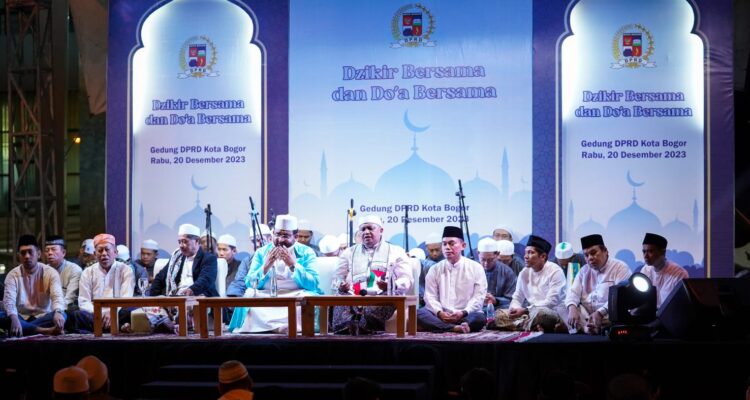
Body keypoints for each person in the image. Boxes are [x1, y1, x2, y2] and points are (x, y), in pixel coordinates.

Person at [229, 215, 322, 333]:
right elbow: (250, 283)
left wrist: (293, 265)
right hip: (266, 296)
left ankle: (281, 327)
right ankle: (278, 327)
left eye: (286, 236)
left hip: (296, 295)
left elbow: (313, 283)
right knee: (249, 294)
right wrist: (265, 266)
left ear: (296, 236)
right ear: (272, 233)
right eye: (277, 234)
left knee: (308, 299)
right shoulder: (261, 252)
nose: (280, 239)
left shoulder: (307, 252)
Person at [331, 215, 413, 334]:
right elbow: (337, 277)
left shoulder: (396, 251)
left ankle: (360, 331)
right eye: (363, 229)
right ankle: (349, 331)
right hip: (354, 296)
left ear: (381, 230)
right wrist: (341, 285)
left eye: (370, 228)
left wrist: (391, 285)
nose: (366, 232)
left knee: (371, 309)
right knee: (341, 304)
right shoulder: (349, 252)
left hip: (383, 296)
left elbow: (407, 278)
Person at [417, 226, 487, 333]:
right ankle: (455, 328)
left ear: (463, 246)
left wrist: (463, 312)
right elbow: (430, 296)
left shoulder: (476, 268)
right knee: (419, 313)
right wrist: (439, 312)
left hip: (466, 315)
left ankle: (448, 326)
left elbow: (479, 296)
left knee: (480, 318)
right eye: (444, 244)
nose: (447, 247)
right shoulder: (435, 269)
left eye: (451, 243)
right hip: (442, 316)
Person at [563, 234, 631, 334]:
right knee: (565, 305)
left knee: (619, 310)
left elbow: (620, 296)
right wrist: (572, 308)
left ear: (605, 251)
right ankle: (589, 328)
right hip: (587, 316)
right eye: (586, 255)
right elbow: (573, 292)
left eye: (593, 253)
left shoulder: (620, 268)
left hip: (608, 316)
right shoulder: (584, 271)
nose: (590, 258)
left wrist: (600, 313)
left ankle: (588, 328)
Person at [1, 234, 66, 336]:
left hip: (44, 316)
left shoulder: (50, 272)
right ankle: (45, 331)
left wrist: (58, 312)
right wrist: (14, 318)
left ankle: (26, 329)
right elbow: (9, 302)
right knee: (5, 316)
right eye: (23, 253)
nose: (27, 256)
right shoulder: (12, 275)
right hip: (20, 317)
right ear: (19, 256)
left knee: (63, 314)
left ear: (38, 254)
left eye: (30, 252)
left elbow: (57, 297)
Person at [72, 234, 134, 333]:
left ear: (115, 252)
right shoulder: (87, 272)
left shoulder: (126, 270)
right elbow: (84, 301)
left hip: (117, 312)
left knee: (131, 311)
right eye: (100, 250)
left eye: (107, 250)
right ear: (95, 254)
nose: (104, 254)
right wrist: (100, 313)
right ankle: (118, 327)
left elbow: (126, 298)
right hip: (95, 314)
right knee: (76, 315)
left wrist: (112, 312)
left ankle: (103, 327)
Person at [503, 235, 566, 332]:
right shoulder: (524, 272)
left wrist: (525, 311)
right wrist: (514, 309)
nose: (525, 256)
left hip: (552, 312)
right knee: (500, 314)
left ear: (543, 256)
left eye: (531, 252)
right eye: (525, 252)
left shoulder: (555, 271)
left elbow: (551, 302)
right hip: (529, 313)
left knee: (540, 313)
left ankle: (525, 325)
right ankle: (531, 326)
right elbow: (517, 297)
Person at [150, 224, 219, 298]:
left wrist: (191, 290)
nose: (181, 245)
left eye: (185, 241)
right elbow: (160, 277)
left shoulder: (208, 258)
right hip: (176, 297)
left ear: (197, 241)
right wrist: (153, 298)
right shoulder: (177, 258)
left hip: (199, 297)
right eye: (179, 242)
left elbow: (205, 279)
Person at [640, 233, 689, 308]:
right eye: (644, 251)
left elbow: (680, 306)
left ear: (662, 252)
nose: (645, 256)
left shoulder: (679, 274)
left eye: (650, 251)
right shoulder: (645, 270)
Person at [44, 235, 83, 313]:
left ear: (63, 252)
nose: (50, 253)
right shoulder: (43, 270)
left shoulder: (74, 270)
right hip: (44, 311)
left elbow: (69, 298)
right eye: (47, 250)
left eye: (53, 249)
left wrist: (56, 310)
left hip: (65, 310)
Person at [477, 238, 516, 310]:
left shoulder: (507, 272)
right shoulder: (471, 269)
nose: (486, 263)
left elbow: (512, 299)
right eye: (483, 259)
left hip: (498, 309)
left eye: (490, 260)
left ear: (497, 254)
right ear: (478, 254)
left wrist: (496, 300)